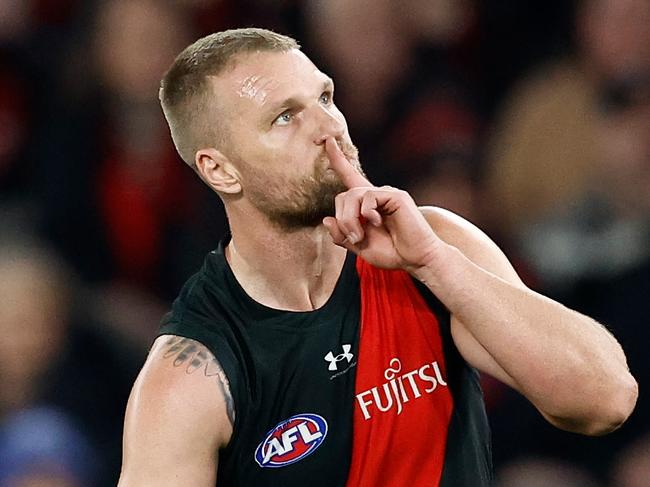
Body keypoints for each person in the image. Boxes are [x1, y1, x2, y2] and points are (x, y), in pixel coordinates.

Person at [118, 28, 638, 486]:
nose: (328, 128)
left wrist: (434, 263)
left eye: (325, 97)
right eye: (284, 118)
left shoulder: (433, 247)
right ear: (220, 170)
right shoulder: (191, 377)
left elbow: (605, 400)